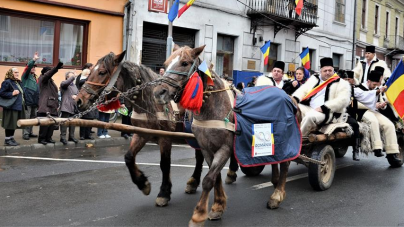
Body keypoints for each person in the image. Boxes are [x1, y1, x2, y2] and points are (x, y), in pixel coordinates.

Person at [292, 57, 351, 136]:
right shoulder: (315, 79)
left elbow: (343, 100)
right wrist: (294, 99)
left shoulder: (342, 83)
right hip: (310, 108)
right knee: (292, 108)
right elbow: (303, 90)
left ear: (333, 70)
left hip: (328, 112)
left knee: (309, 117)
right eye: (325, 71)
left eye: (330, 70)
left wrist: (324, 107)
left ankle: (299, 139)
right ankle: (289, 134)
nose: (327, 73)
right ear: (321, 71)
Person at [353, 68, 401, 164]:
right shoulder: (357, 88)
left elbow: (381, 102)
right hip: (362, 111)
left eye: (377, 85)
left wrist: (382, 106)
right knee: (373, 121)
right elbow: (354, 103)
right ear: (368, 81)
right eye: (374, 84)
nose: (375, 86)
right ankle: (377, 148)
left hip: (374, 111)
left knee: (389, 125)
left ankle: (392, 153)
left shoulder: (376, 89)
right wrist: (373, 105)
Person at [37, 62, 64, 145]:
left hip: (52, 105)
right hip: (45, 105)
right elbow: (48, 75)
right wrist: (56, 68)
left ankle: (48, 138)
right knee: (45, 124)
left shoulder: (51, 81)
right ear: (45, 72)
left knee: (51, 123)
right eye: (49, 71)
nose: (50, 73)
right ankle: (42, 139)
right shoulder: (43, 79)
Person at [0, 68, 26, 146]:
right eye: (15, 72)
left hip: (18, 106)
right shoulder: (7, 82)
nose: (17, 74)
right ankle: (7, 139)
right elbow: (1, 93)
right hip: (11, 107)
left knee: (14, 123)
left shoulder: (17, 82)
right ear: (11, 73)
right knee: (10, 123)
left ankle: (11, 138)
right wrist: (12, 93)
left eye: (18, 72)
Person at [21, 52, 40, 140]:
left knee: (33, 117)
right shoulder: (25, 75)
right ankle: (25, 134)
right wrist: (34, 60)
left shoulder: (35, 77)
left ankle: (30, 132)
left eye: (34, 67)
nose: (33, 68)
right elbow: (28, 67)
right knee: (27, 117)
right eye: (32, 67)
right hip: (28, 100)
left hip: (34, 100)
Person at [59, 71, 79, 145]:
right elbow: (65, 84)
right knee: (64, 123)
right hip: (66, 106)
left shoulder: (74, 85)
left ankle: (71, 136)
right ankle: (63, 137)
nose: (73, 78)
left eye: (73, 76)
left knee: (73, 123)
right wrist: (74, 76)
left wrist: (77, 96)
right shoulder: (63, 83)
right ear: (67, 77)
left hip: (74, 106)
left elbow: (77, 93)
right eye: (71, 76)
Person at [77, 69, 96, 140]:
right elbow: (81, 82)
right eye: (88, 74)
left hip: (90, 104)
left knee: (90, 120)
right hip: (84, 104)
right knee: (83, 121)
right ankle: (82, 135)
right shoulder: (82, 80)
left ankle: (88, 135)